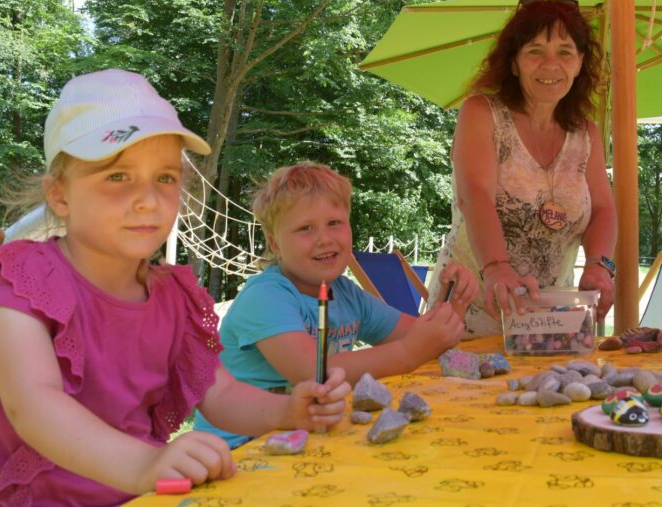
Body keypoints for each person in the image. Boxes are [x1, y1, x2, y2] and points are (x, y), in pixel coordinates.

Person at [0, 70, 351, 506]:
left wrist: (288, 410)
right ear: (60, 196)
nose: (148, 199)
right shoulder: (23, 280)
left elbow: (219, 392)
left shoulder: (173, 297)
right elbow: (33, 404)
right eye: (117, 176)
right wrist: (144, 464)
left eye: (164, 178)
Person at [194, 162, 477, 447]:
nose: (324, 239)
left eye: (334, 223)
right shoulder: (265, 296)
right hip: (235, 450)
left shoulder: (346, 294)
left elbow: (426, 338)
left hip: (301, 441)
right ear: (275, 244)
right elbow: (312, 372)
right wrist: (408, 353)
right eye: (305, 228)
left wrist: (455, 299)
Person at [426, 0, 617, 338]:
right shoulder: (481, 113)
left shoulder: (586, 134)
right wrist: (497, 269)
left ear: (579, 63)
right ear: (513, 63)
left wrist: (599, 266)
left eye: (564, 52)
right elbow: (475, 195)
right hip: (468, 313)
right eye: (535, 51)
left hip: (550, 322)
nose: (550, 64)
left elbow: (603, 209)